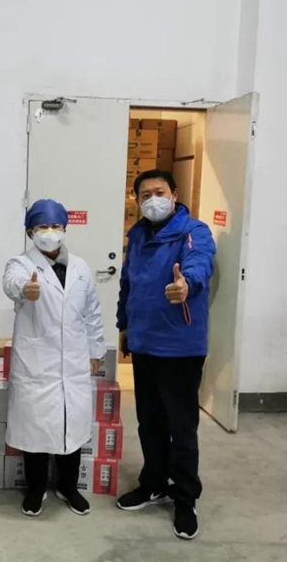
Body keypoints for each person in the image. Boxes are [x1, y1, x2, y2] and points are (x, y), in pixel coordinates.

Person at [115, 169, 215, 541]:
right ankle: (154, 482)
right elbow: (128, 284)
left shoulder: (193, 231)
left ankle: (185, 496)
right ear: (136, 200)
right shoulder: (138, 235)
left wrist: (186, 284)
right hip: (144, 343)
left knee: (181, 426)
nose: (152, 200)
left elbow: (200, 262)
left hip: (180, 347)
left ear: (174, 194)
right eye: (145, 195)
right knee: (150, 421)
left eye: (159, 192)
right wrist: (124, 324)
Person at [3, 199, 106, 518]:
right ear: (30, 232)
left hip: (73, 360)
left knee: (71, 426)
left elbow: (92, 312)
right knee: (35, 429)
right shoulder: (20, 264)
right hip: (37, 363)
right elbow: (11, 284)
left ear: (64, 228)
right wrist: (25, 290)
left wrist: (95, 351)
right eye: (42, 227)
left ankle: (68, 487)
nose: (49, 232)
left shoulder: (81, 268)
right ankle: (35, 490)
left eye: (55, 226)